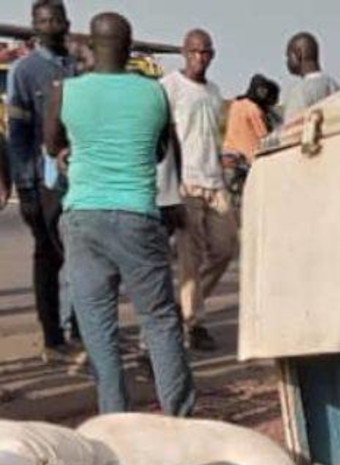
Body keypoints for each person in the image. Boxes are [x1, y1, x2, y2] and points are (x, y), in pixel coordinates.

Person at [44, 12, 194, 417]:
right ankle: (179, 420)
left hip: (84, 218)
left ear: (91, 48)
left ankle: (115, 420)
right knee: (160, 320)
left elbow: (51, 145)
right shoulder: (155, 94)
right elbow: (161, 151)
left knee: (98, 328)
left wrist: (69, 153)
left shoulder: (63, 91)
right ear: (130, 50)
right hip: (138, 218)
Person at [6, 0, 77, 363]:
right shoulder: (23, 71)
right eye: (42, 20)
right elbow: (17, 134)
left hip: (78, 180)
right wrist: (24, 183)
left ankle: (81, 331)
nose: (49, 25)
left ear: (66, 22)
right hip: (40, 179)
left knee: (82, 256)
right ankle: (53, 337)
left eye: (55, 19)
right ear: (34, 26)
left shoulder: (75, 67)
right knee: (48, 257)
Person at [161, 28, 235, 353]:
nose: (199, 58)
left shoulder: (215, 92)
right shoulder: (170, 87)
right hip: (186, 182)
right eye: (194, 52)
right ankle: (194, 323)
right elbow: (161, 136)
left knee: (225, 248)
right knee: (190, 257)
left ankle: (186, 305)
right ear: (183, 52)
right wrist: (167, 184)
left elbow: (214, 138)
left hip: (214, 181)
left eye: (205, 52)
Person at [282, 32, 339, 122]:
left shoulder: (299, 92)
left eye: (288, 56)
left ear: (298, 54)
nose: (287, 61)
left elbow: (291, 131)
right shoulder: (333, 85)